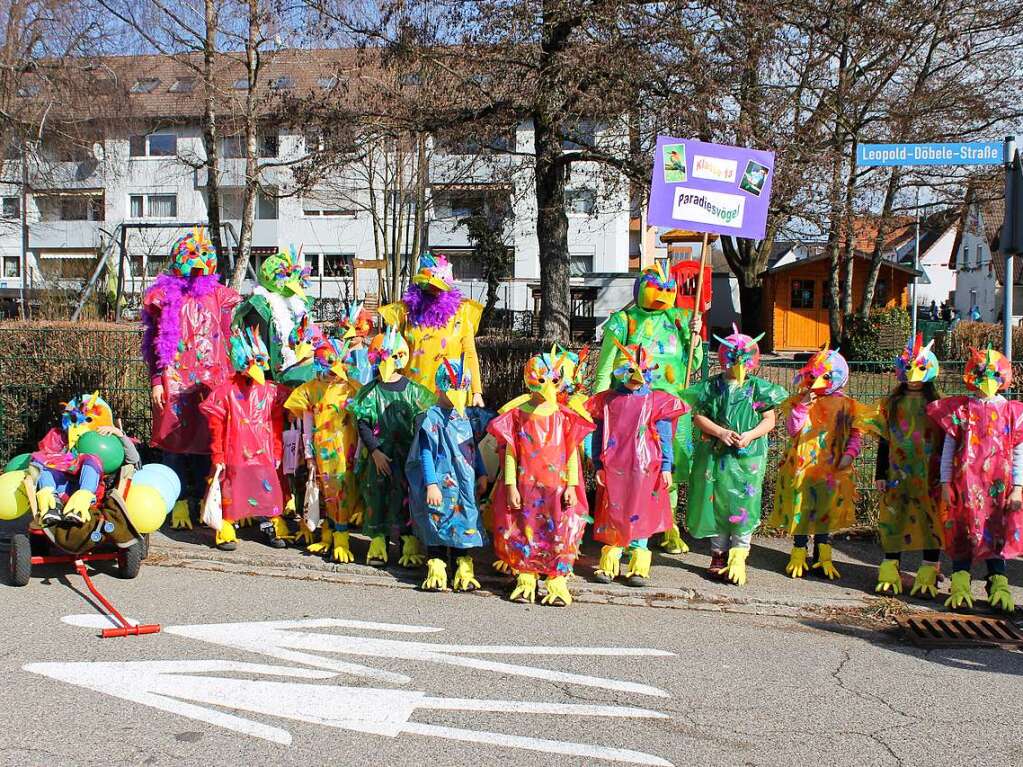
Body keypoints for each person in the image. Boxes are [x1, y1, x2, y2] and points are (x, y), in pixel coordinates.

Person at [593, 264, 702, 555]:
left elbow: (696, 361)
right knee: (628, 470)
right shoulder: (624, 320)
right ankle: (626, 527)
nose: (663, 295)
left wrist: (696, 337)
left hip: (671, 409)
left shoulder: (680, 319)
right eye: (656, 287)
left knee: (671, 468)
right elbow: (605, 368)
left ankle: (668, 526)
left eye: (669, 289)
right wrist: (598, 406)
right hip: (630, 411)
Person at [141, 228, 239, 529]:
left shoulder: (221, 296)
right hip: (175, 381)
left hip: (212, 383)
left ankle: (203, 500)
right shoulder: (164, 296)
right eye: (192, 257)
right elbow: (155, 344)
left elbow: (228, 339)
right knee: (174, 444)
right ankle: (179, 502)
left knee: (210, 442)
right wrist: (157, 380)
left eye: (203, 257)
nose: (198, 264)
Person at [487, 351, 595, 606]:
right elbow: (512, 452)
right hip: (526, 486)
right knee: (525, 531)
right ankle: (526, 576)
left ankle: (556, 578)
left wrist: (572, 485)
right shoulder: (517, 415)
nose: (547, 385)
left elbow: (570, 453)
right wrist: (511, 485)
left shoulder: (564, 415)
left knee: (557, 529)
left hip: (556, 487)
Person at [683, 326, 787, 586]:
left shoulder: (758, 389)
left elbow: (769, 420)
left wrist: (750, 435)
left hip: (748, 459)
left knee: (744, 503)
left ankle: (739, 554)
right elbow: (697, 416)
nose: (738, 365)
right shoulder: (713, 387)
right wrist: (719, 432)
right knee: (717, 502)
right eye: (733, 358)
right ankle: (718, 554)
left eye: (743, 359)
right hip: (716, 456)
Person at [927, 347, 1023, 613]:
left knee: (996, 535)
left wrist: (1018, 488)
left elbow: (1018, 453)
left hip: (998, 490)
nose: (987, 382)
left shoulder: (1013, 413)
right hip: (965, 487)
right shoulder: (961, 410)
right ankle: (960, 581)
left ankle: (998, 582)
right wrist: (945, 484)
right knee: (963, 532)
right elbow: (948, 451)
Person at [586, 340, 687, 587]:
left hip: (646, 468)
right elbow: (599, 434)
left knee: (641, 511)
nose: (635, 378)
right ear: (620, 372)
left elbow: (664, 437)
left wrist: (666, 466)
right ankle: (609, 562)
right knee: (614, 510)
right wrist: (598, 464)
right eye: (629, 372)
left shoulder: (656, 401)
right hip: (614, 467)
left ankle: (639, 565)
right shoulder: (607, 401)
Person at [769, 348, 878, 579]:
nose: (818, 381)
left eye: (827, 376)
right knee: (803, 507)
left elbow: (855, 434)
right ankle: (799, 550)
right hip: (802, 467)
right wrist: (803, 405)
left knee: (826, 509)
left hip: (832, 468)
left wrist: (850, 454)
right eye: (815, 375)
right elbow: (792, 429)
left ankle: (822, 553)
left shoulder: (848, 406)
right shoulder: (802, 400)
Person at [348, 325, 437, 567]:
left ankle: (408, 541)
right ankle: (378, 540)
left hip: (406, 457)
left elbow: (421, 423)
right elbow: (363, 423)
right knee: (377, 496)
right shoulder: (370, 391)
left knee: (406, 498)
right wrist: (375, 451)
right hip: (379, 457)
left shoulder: (413, 390)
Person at [199, 326, 289, 551]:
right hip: (235, 453)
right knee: (232, 489)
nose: (260, 366)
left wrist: (277, 450)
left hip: (264, 454)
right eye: (256, 361)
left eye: (262, 361)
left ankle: (270, 524)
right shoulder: (226, 392)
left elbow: (277, 422)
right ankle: (227, 526)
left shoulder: (271, 392)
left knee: (268, 488)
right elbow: (216, 425)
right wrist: (218, 454)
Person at [406, 357, 489, 592]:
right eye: (453, 387)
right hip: (442, 486)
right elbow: (425, 452)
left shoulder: (465, 417)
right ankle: (438, 566)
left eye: (462, 388)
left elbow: (472, 447)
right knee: (438, 522)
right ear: (440, 387)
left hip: (465, 484)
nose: (457, 393)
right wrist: (431, 483)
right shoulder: (431, 418)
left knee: (465, 523)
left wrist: (481, 472)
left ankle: (462, 568)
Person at [873, 335, 944, 598]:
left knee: (930, 519)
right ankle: (891, 566)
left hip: (929, 475)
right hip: (897, 473)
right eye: (908, 368)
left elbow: (947, 441)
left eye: (920, 368)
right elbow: (884, 438)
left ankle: (928, 569)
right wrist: (880, 473)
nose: (913, 375)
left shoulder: (937, 405)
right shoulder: (891, 403)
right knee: (894, 517)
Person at [284, 336, 364, 563]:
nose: (332, 374)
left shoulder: (353, 390)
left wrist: (358, 453)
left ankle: (342, 538)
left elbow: (359, 425)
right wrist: (309, 455)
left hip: (346, 453)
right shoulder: (311, 390)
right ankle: (328, 535)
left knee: (344, 494)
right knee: (325, 492)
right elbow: (307, 426)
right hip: (321, 453)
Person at [379, 252, 485, 406]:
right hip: (412, 396)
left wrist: (477, 391)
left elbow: (469, 354)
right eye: (429, 284)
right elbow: (391, 352)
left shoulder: (461, 313)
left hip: (450, 396)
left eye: (438, 286)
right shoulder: (404, 312)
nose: (434, 289)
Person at [233, 245, 318, 380]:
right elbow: (259, 346)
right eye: (288, 274)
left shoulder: (297, 304)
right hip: (272, 379)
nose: (295, 279)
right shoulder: (260, 304)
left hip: (300, 374)